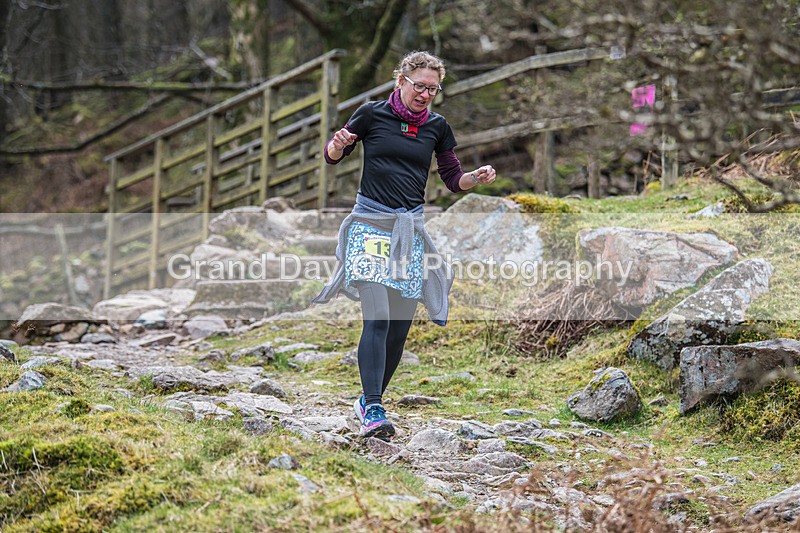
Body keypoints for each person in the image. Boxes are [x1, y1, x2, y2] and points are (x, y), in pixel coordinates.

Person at [312, 50, 496, 440]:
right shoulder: (371, 114)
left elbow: (451, 178)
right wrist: (338, 143)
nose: (426, 94)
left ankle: (367, 400)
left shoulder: (437, 127)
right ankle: (374, 405)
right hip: (369, 224)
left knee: (398, 327)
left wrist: (474, 179)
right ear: (401, 81)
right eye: (420, 86)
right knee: (376, 315)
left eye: (434, 88)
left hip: (408, 230)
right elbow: (333, 156)